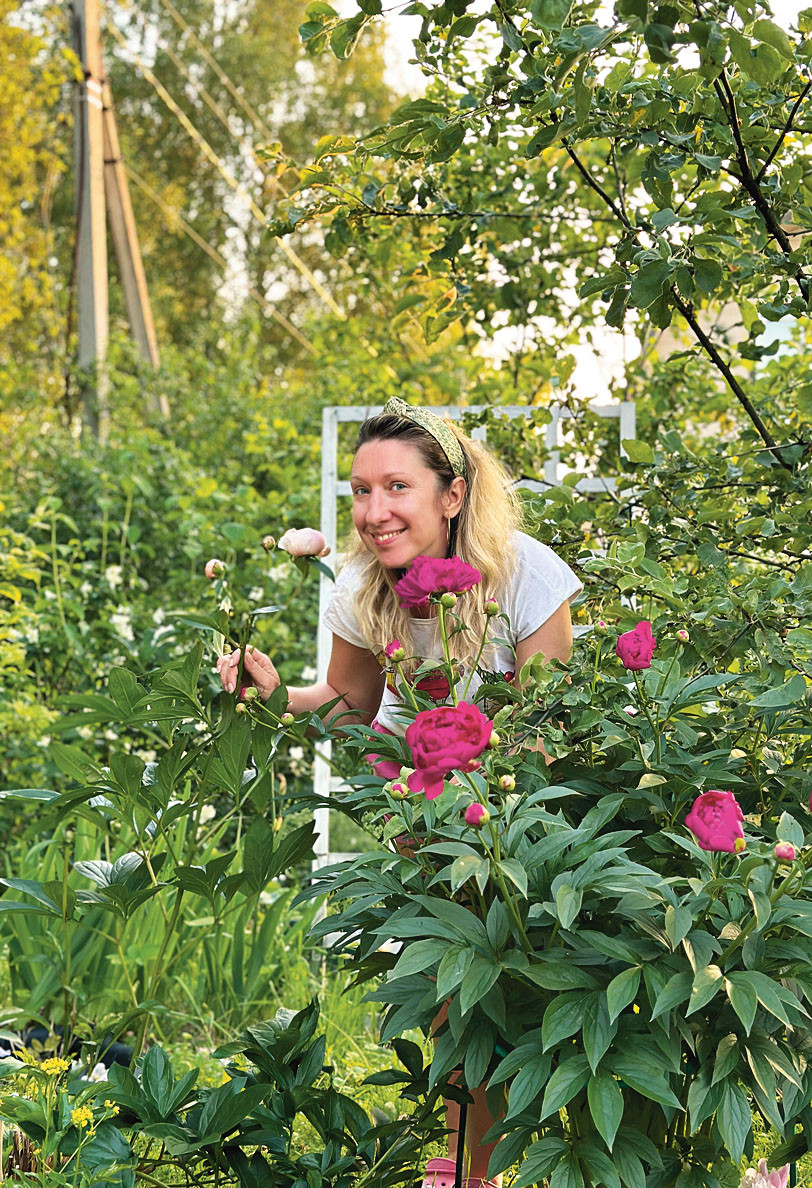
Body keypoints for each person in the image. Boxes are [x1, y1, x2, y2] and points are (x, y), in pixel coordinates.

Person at [217, 397, 582, 1188]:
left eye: (395, 488)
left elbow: (550, 725)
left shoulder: (524, 572)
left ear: (451, 495)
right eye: (360, 490)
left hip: (525, 817)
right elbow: (347, 704)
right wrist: (274, 696)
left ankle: (528, 1162)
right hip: (418, 808)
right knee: (455, 995)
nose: (373, 511)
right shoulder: (360, 585)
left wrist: (475, 797)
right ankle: (463, 1169)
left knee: (530, 997)